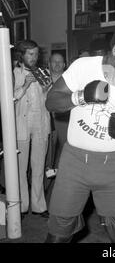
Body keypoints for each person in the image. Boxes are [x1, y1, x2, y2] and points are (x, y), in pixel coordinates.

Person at [44, 25, 115, 243]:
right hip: (74, 163)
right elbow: (51, 101)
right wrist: (80, 97)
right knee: (58, 234)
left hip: (113, 166)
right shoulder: (83, 67)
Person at [13, 40, 51, 219]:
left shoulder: (44, 72)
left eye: (36, 54)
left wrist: (45, 91)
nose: (34, 57)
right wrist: (25, 85)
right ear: (21, 55)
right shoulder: (13, 73)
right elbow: (10, 98)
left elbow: (49, 102)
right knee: (20, 169)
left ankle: (38, 205)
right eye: (30, 54)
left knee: (38, 166)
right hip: (21, 125)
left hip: (41, 124)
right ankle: (21, 206)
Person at [44, 53, 69, 204]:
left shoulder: (69, 78)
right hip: (45, 121)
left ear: (65, 64)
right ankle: (44, 191)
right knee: (48, 158)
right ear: (49, 63)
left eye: (60, 62)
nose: (57, 64)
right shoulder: (42, 78)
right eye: (54, 61)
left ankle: (56, 195)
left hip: (64, 121)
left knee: (63, 157)